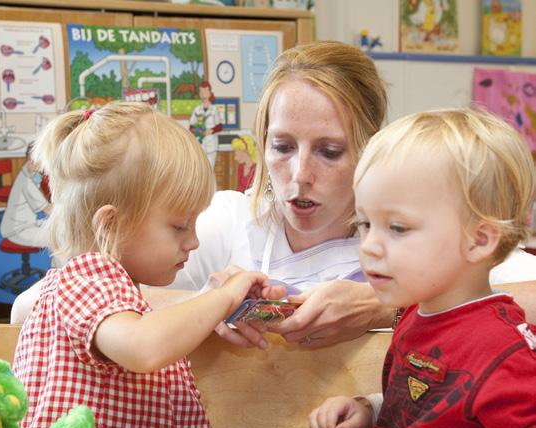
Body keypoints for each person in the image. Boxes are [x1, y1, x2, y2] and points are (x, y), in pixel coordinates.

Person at [169, 41, 536, 350]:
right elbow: (115, 295)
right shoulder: (228, 221)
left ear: (369, 150)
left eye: (329, 152)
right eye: (282, 147)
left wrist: (384, 307)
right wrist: (204, 304)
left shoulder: (415, 236)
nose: (300, 175)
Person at [13, 102, 283, 428]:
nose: (193, 242)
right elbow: (144, 347)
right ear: (111, 225)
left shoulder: (106, 292)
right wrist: (225, 294)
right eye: (179, 226)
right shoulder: (88, 278)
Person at [308, 108, 536, 428]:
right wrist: (371, 413)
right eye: (364, 224)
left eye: (397, 228)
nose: (370, 246)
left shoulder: (503, 349)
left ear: (479, 239)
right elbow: (443, 406)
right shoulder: (416, 315)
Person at [0, 143, 52, 248]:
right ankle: (59, 265)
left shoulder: (31, 173)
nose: (43, 167)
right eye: (41, 163)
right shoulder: (27, 183)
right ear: (32, 161)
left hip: (28, 222)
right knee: (58, 238)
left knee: (59, 229)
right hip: (17, 230)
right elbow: (48, 210)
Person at [189, 80, 223, 167]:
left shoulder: (214, 109)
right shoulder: (197, 110)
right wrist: (198, 131)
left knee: (210, 170)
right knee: (201, 170)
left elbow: (219, 127)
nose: (203, 94)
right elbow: (191, 127)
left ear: (210, 93)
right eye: (201, 91)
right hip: (200, 146)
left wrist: (209, 131)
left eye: (205, 91)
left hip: (212, 146)